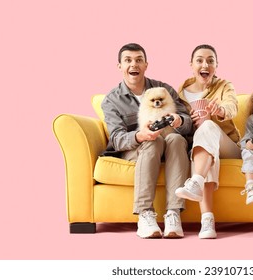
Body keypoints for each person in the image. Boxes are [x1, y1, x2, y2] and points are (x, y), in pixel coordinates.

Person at [101, 43, 192, 239]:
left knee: (176, 138)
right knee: (152, 141)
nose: (133, 64)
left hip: (170, 144)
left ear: (146, 65)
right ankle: (145, 214)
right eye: (128, 60)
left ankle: (173, 214)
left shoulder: (164, 89)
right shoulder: (112, 101)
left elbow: (188, 124)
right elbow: (117, 139)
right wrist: (139, 135)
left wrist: (179, 120)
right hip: (138, 148)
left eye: (138, 60)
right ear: (120, 66)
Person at [175, 44, 241, 239]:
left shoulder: (224, 86)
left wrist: (220, 111)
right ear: (191, 65)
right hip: (201, 147)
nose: (205, 64)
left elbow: (232, 106)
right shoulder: (180, 94)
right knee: (204, 150)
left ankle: (196, 181)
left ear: (216, 65)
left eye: (210, 60)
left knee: (208, 128)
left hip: (228, 145)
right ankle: (207, 222)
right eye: (200, 60)